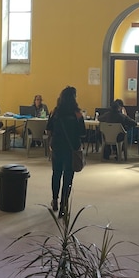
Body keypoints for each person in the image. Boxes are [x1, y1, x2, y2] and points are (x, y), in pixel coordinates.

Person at [46, 86, 84, 217]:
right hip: (71, 148)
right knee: (68, 177)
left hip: (57, 147)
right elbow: (83, 133)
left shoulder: (55, 112)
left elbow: (48, 130)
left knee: (56, 174)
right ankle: (64, 206)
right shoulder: (78, 114)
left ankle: (54, 200)